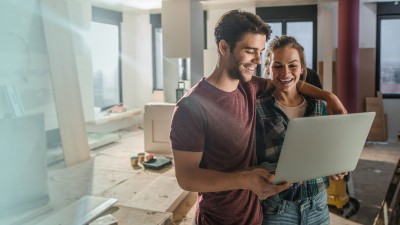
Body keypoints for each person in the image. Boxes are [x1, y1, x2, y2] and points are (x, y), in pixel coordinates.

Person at [170, 10, 346, 225]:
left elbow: (287, 80)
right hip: (219, 218)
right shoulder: (191, 106)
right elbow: (186, 177)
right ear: (224, 47)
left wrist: (329, 97)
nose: (258, 60)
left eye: (261, 52)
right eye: (250, 51)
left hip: (255, 214)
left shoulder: (250, 86)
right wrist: (245, 179)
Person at [256, 35, 347, 225]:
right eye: (277, 65)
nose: (285, 72)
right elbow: (252, 159)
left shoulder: (320, 106)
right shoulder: (258, 108)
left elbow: (328, 151)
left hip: (318, 204)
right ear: (268, 69)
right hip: (278, 208)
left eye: (293, 65)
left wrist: (336, 166)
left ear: (302, 68)